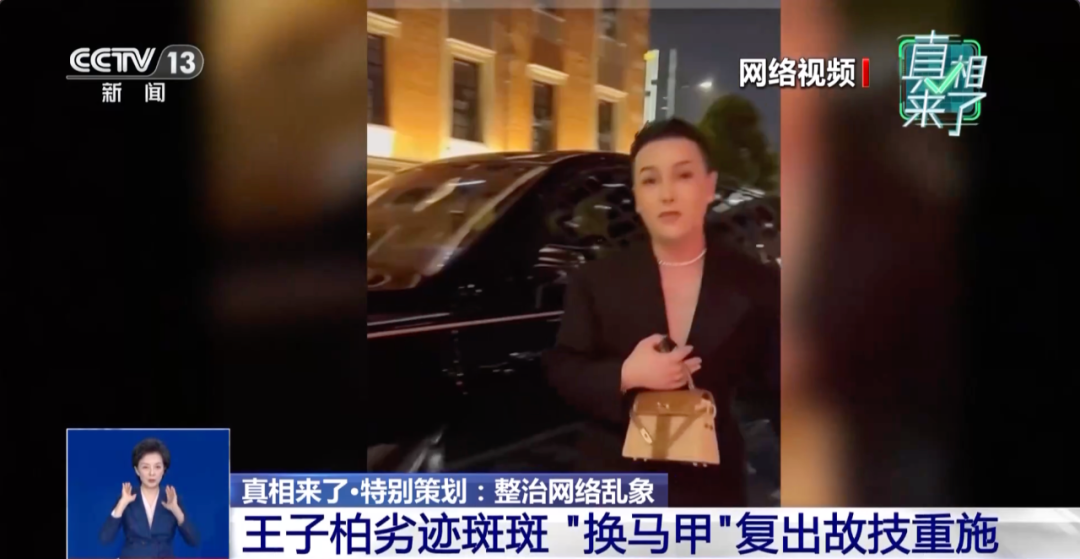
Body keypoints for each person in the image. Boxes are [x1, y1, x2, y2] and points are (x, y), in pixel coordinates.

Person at [545, 118, 779, 506]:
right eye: (651, 180)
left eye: (683, 175)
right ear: (637, 195)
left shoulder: (755, 281)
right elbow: (563, 368)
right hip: (617, 484)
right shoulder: (596, 279)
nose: (667, 194)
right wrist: (626, 375)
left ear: (709, 186)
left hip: (712, 487)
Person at [100, 438, 200, 557]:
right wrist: (121, 505)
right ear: (137, 470)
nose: (152, 473)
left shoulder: (172, 498)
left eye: (157, 467)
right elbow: (105, 538)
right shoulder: (126, 496)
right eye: (145, 467)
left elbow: (194, 540)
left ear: (164, 469)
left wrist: (176, 510)